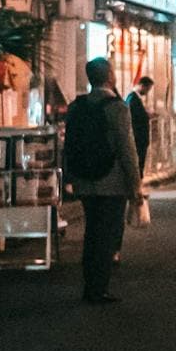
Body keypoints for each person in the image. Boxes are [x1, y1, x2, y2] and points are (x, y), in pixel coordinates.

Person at [64, 57, 144, 305]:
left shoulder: (76, 106)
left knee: (92, 233)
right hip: (111, 181)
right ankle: (98, 288)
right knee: (107, 235)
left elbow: (68, 145)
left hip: (85, 180)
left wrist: (69, 177)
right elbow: (127, 149)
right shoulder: (117, 107)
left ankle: (90, 285)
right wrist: (136, 186)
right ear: (110, 76)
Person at [127, 76, 154, 176]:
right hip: (138, 137)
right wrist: (146, 115)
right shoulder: (133, 98)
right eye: (148, 89)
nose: (148, 92)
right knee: (138, 162)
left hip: (139, 137)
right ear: (142, 86)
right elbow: (135, 117)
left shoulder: (135, 98)